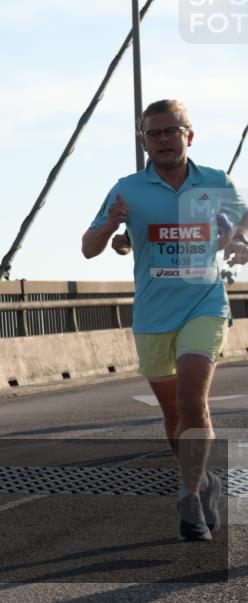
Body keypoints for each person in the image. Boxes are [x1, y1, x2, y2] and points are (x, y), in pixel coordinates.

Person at [82, 100, 248, 541]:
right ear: (144, 142)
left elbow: (244, 228)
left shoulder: (216, 182)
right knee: (173, 412)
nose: (162, 140)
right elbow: (89, 246)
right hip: (154, 313)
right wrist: (112, 229)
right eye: (153, 134)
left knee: (194, 401)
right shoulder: (127, 189)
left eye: (170, 131)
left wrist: (237, 239)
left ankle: (189, 495)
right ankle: (202, 478)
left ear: (189, 135)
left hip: (204, 304)